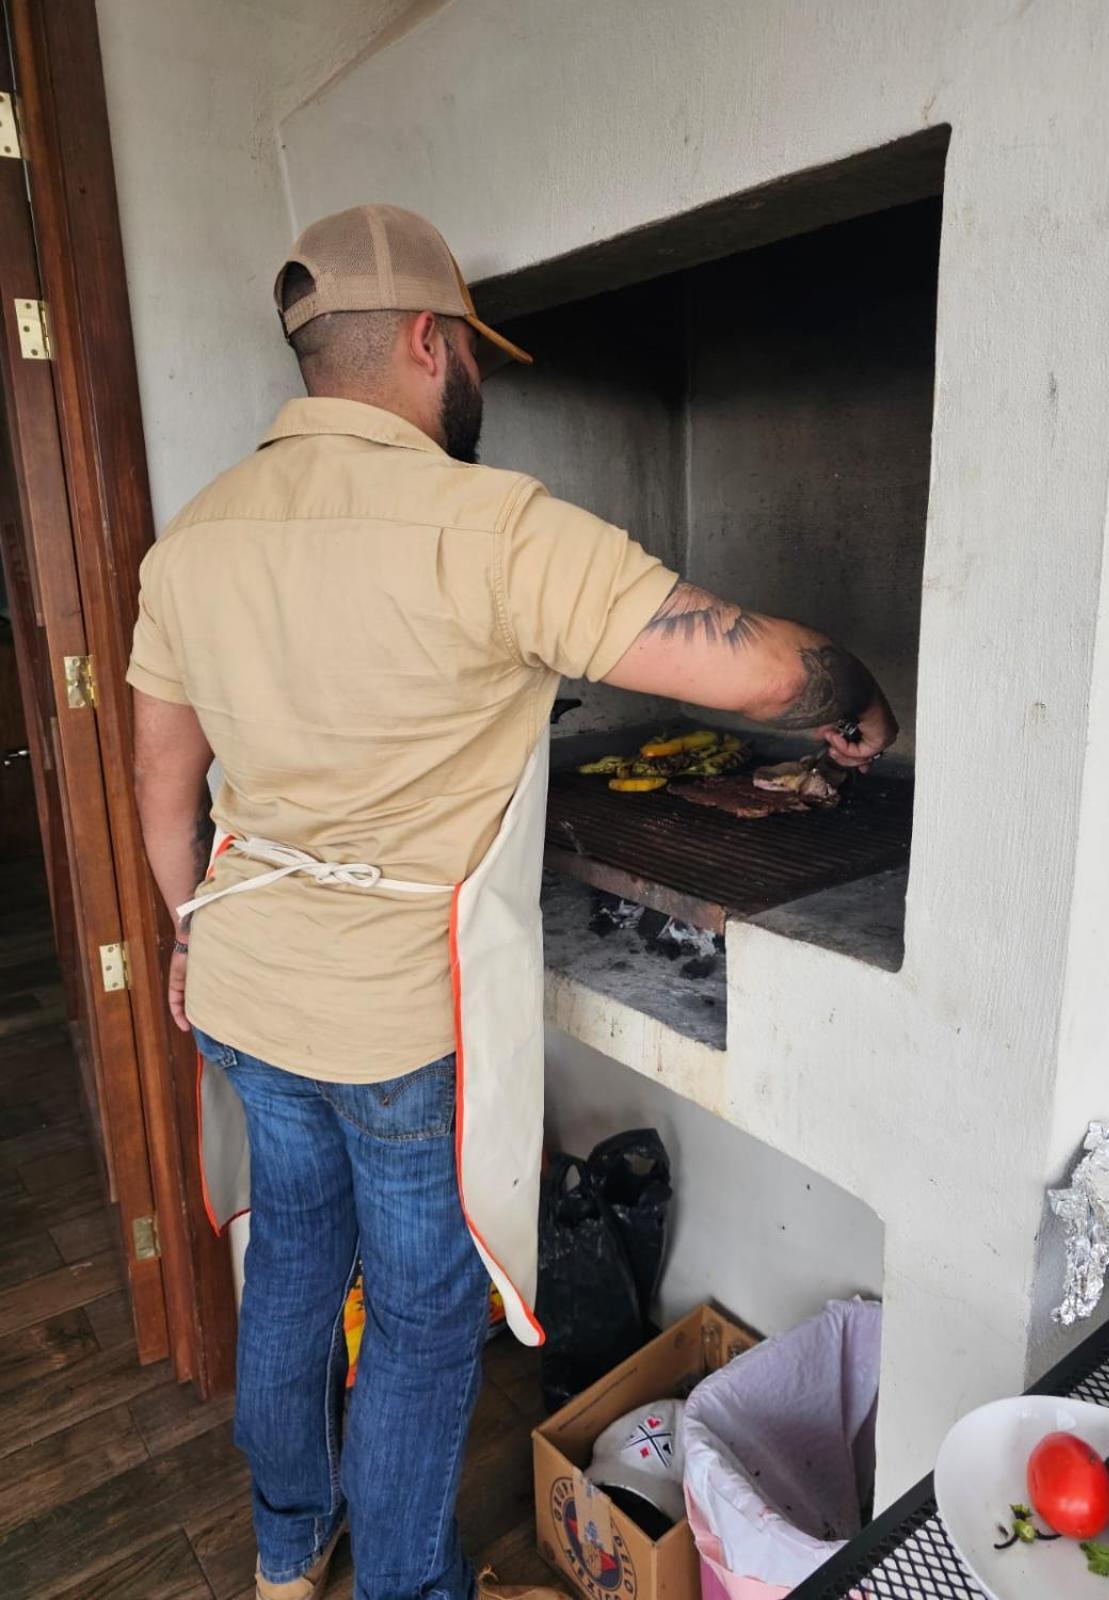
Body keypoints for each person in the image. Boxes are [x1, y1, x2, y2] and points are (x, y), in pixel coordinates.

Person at [128, 204, 896, 1600]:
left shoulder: (195, 540)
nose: (475, 380)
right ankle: (407, 1589)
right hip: (396, 1020)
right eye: (472, 355)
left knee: (292, 1258)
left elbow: (161, 784)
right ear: (431, 343)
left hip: (244, 983)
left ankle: (286, 1553)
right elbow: (761, 675)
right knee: (423, 1316)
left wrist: (189, 935)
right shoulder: (489, 530)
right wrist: (855, 695)